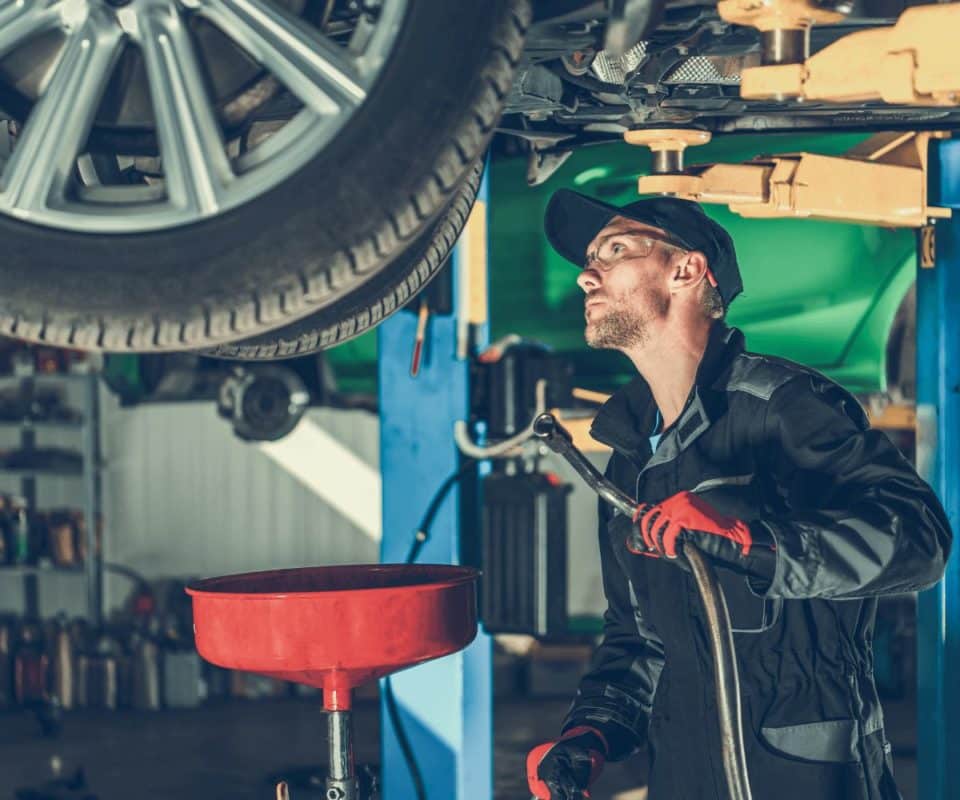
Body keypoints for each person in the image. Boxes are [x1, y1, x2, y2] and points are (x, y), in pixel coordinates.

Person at [526, 189, 952, 800]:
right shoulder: (627, 458)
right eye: (589, 258)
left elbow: (919, 541)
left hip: (802, 767)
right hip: (681, 771)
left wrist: (756, 542)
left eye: (613, 250)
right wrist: (590, 734)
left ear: (686, 269)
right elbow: (639, 639)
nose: (586, 274)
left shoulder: (784, 405)